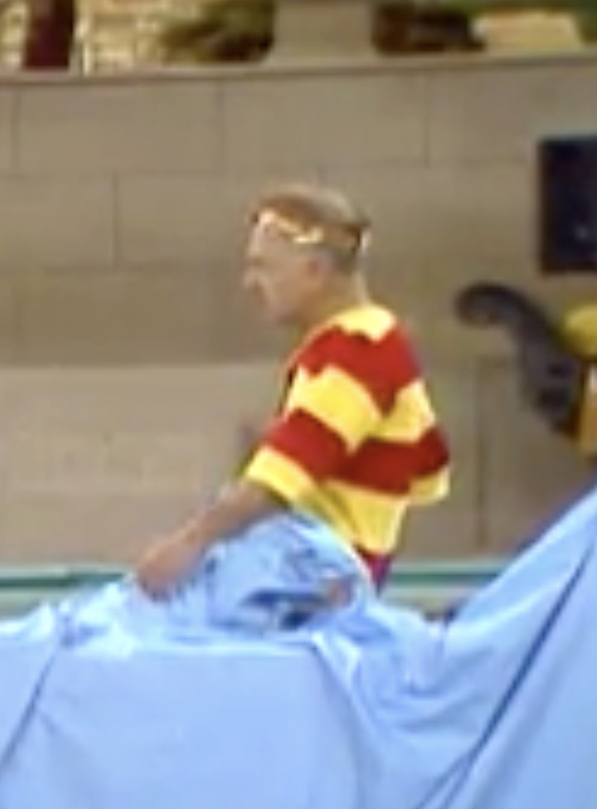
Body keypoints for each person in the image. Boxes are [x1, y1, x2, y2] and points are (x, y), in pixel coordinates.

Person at [134, 185, 451, 599]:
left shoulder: (356, 352)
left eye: (264, 267)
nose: (250, 283)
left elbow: (277, 482)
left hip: (312, 578)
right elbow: (428, 473)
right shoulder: (377, 344)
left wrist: (187, 545)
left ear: (314, 271)